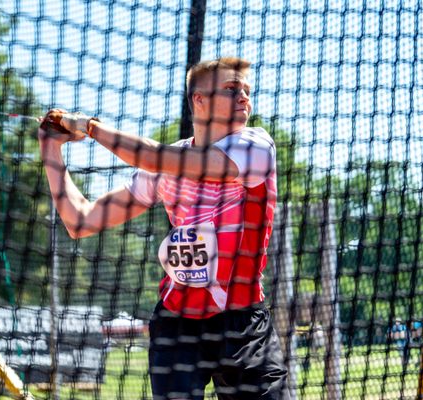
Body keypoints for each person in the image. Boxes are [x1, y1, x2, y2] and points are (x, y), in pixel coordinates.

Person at [38, 57, 289, 399]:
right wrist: (50, 148)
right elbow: (80, 220)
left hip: (241, 324)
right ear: (199, 100)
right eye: (232, 89)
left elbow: (158, 158)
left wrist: (89, 126)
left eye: (247, 91)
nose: (244, 97)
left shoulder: (255, 147)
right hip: (177, 324)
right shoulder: (162, 170)